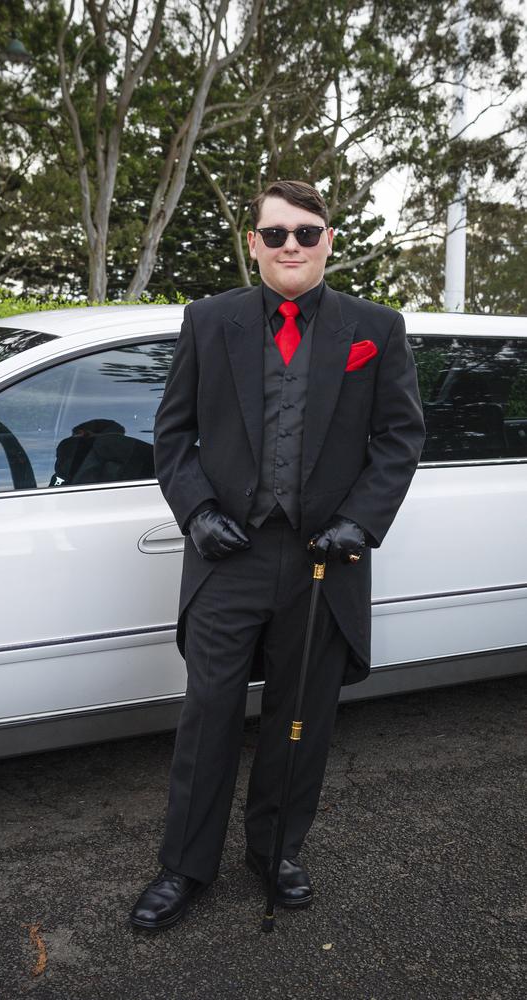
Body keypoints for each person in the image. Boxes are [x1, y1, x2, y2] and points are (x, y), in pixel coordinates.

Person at [129, 179, 425, 931]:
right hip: (230, 557)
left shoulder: (377, 328)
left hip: (326, 563)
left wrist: (361, 520)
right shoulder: (208, 321)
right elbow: (174, 436)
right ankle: (184, 867)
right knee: (210, 714)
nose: (290, 244)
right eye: (275, 233)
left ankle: (275, 852)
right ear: (252, 244)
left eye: (306, 231)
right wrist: (196, 512)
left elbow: (399, 438)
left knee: (304, 717)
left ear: (329, 239)